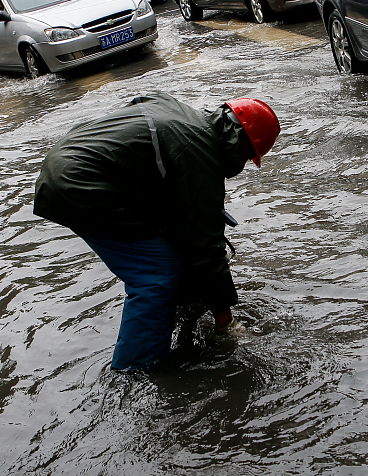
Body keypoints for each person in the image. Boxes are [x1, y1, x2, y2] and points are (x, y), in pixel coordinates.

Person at [33, 93, 280, 372]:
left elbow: (140, 102)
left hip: (68, 158)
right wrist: (227, 323)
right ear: (242, 144)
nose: (245, 163)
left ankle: (182, 304)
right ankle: (135, 371)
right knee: (158, 274)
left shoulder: (181, 112)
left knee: (173, 233)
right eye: (249, 157)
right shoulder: (200, 152)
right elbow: (206, 246)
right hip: (79, 185)